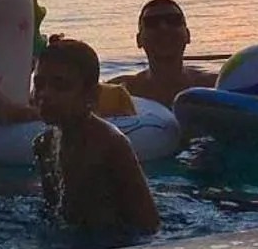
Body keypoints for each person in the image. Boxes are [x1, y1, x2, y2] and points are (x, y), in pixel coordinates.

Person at [29, 37, 160, 236]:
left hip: (113, 245)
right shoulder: (43, 144)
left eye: (60, 86)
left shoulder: (111, 145)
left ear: (91, 95)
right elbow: (50, 212)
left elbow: (148, 223)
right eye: (39, 84)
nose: (45, 94)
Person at [108, 0, 217, 106]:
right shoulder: (118, 92)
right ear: (139, 40)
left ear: (188, 35)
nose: (163, 28)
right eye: (152, 23)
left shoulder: (215, 85)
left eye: (173, 20)